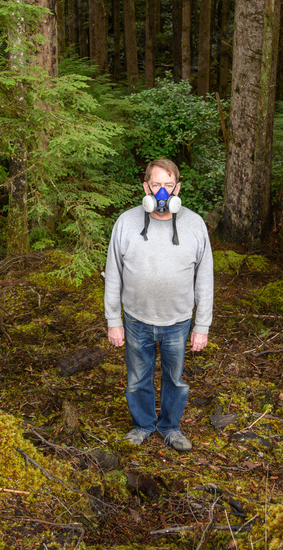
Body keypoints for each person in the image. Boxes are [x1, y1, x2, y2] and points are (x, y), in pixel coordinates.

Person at [103, 158, 214, 452]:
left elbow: (205, 278)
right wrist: (114, 320)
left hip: (178, 321)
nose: (161, 192)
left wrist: (201, 325)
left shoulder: (194, 224)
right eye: (156, 185)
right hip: (136, 319)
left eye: (168, 185)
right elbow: (113, 273)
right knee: (137, 379)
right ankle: (142, 424)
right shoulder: (126, 222)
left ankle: (169, 427)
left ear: (178, 187)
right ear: (145, 187)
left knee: (175, 381)